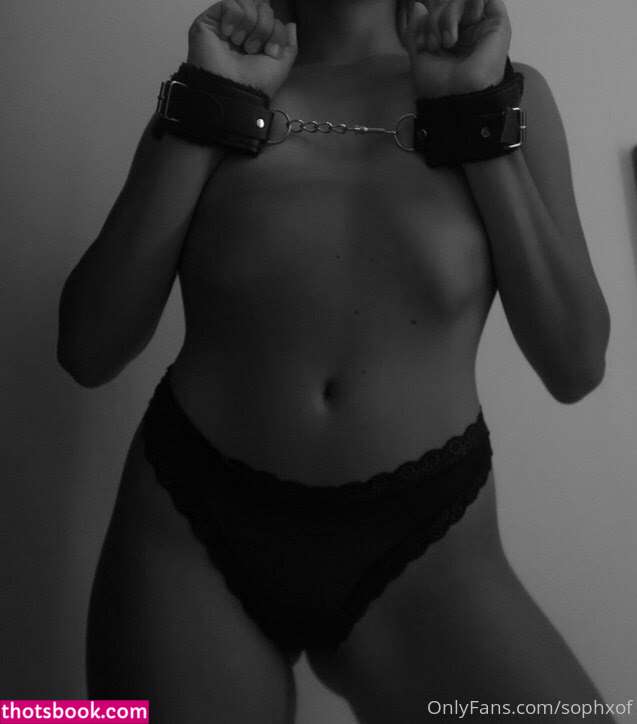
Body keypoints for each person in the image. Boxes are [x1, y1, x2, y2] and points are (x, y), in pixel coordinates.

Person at [58, 0, 613, 721]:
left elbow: (575, 364)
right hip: (188, 527)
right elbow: (88, 349)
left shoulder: (510, 90)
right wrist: (212, 103)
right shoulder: (213, 80)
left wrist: (472, 109)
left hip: (428, 540)